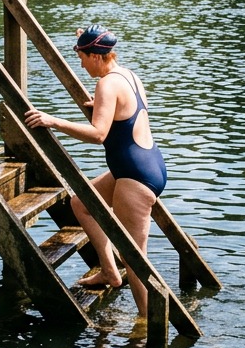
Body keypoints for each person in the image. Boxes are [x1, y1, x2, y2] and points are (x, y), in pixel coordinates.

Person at [24, 24, 167, 320]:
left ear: (98, 57)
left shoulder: (107, 84)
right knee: (82, 204)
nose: (81, 63)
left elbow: (99, 134)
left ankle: (146, 323)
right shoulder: (127, 75)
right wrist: (101, 106)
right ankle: (108, 272)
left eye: (83, 57)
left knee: (135, 259)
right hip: (144, 163)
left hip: (134, 177)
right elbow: (128, 112)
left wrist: (54, 121)